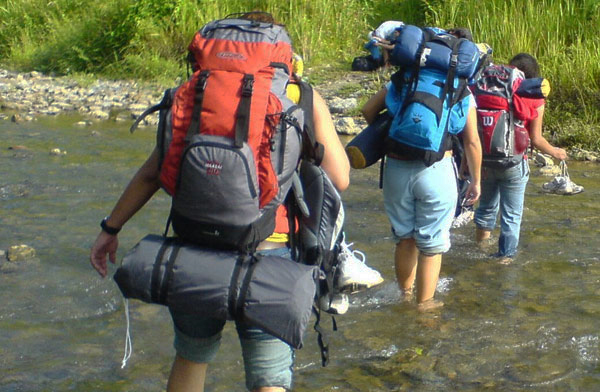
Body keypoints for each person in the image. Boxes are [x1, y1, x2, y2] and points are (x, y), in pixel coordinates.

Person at [89, 16, 349, 392]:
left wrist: (109, 230)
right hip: (270, 248)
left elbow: (152, 173)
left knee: (192, 356)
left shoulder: (194, 92)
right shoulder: (298, 94)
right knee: (269, 376)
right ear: (280, 53)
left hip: (193, 247)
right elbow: (339, 178)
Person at [360, 65, 482, 310]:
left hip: (396, 167)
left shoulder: (406, 78)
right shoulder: (460, 87)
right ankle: (425, 306)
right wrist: (476, 181)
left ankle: (404, 297)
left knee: (405, 238)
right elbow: (471, 141)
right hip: (437, 169)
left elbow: (367, 109)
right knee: (431, 244)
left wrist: (387, 133)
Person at [473, 53, 567, 264]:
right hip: (514, 162)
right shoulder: (534, 98)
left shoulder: (486, 89)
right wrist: (556, 152)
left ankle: (479, 249)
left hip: (484, 159)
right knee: (511, 216)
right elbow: (536, 138)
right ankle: (505, 260)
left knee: (486, 207)